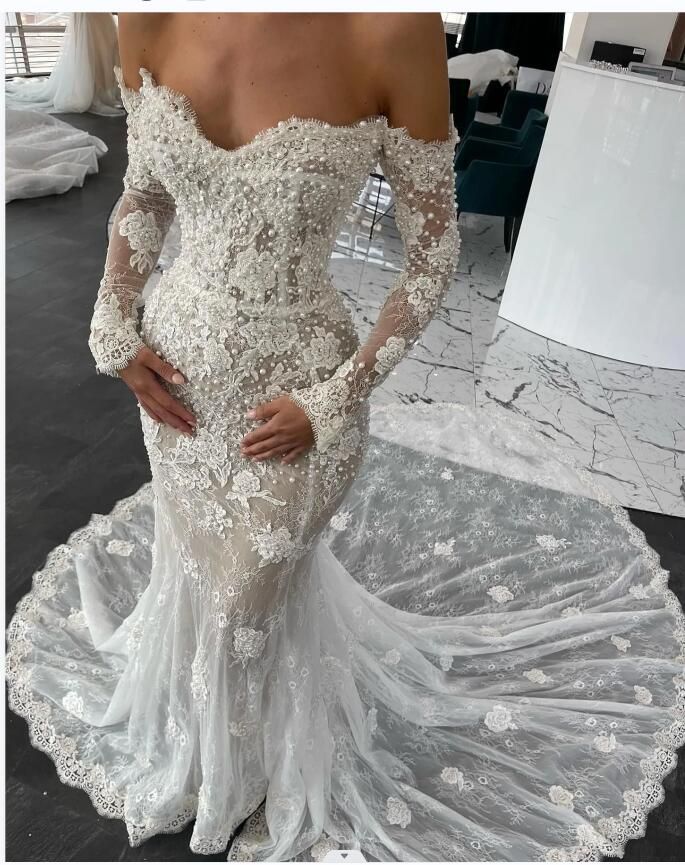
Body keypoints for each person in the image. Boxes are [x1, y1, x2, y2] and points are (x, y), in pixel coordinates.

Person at [6, 12, 684, 863]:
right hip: (176, 375)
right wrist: (111, 327)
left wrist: (337, 397)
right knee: (197, 564)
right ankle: (204, 735)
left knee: (248, 596)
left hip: (300, 395)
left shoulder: (390, 34)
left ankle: (247, 773)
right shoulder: (146, 15)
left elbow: (432, 255)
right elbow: (144, 193)